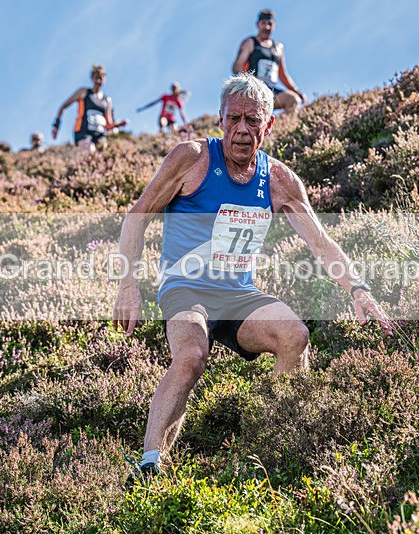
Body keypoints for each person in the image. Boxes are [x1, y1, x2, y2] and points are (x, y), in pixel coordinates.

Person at [112, 73, 392, 485]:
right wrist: (128, 284)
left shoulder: (278, 180)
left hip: (239, 294)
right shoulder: (192, 158)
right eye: (234, 119)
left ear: (269, 124)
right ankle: (150, 464)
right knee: (190, 357)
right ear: (221, 119)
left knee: (295, 336)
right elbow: (137, 216)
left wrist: (359, 288)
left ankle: (273, 443)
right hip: (186, 288)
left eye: (252, 121)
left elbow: (320, 241)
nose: (242, 130)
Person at [232, 9, 307, 115]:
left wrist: (297, 91)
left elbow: (283, 75)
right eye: (263, 23)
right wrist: (245, 86)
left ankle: (285, 130)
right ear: (257, 25)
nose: (267, 27)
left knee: (293, 100)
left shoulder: (278, 48)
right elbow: (237, 67)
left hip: (272, 91)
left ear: (274, 26)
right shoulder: (249, 43)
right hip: (254, 89)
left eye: (270, 24)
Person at [51, 64, 128, 152]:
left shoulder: (107, 100)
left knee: (107, 151)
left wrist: (119, 124)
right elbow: (63, 107)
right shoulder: (83, 92)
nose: (98, 81)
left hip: (99, 134)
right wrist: (56, 126)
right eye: (96, 78)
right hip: (83, 132)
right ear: (92, 78)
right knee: (89, 150)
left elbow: (108, 124)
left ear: (105, 79)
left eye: (101, 78)